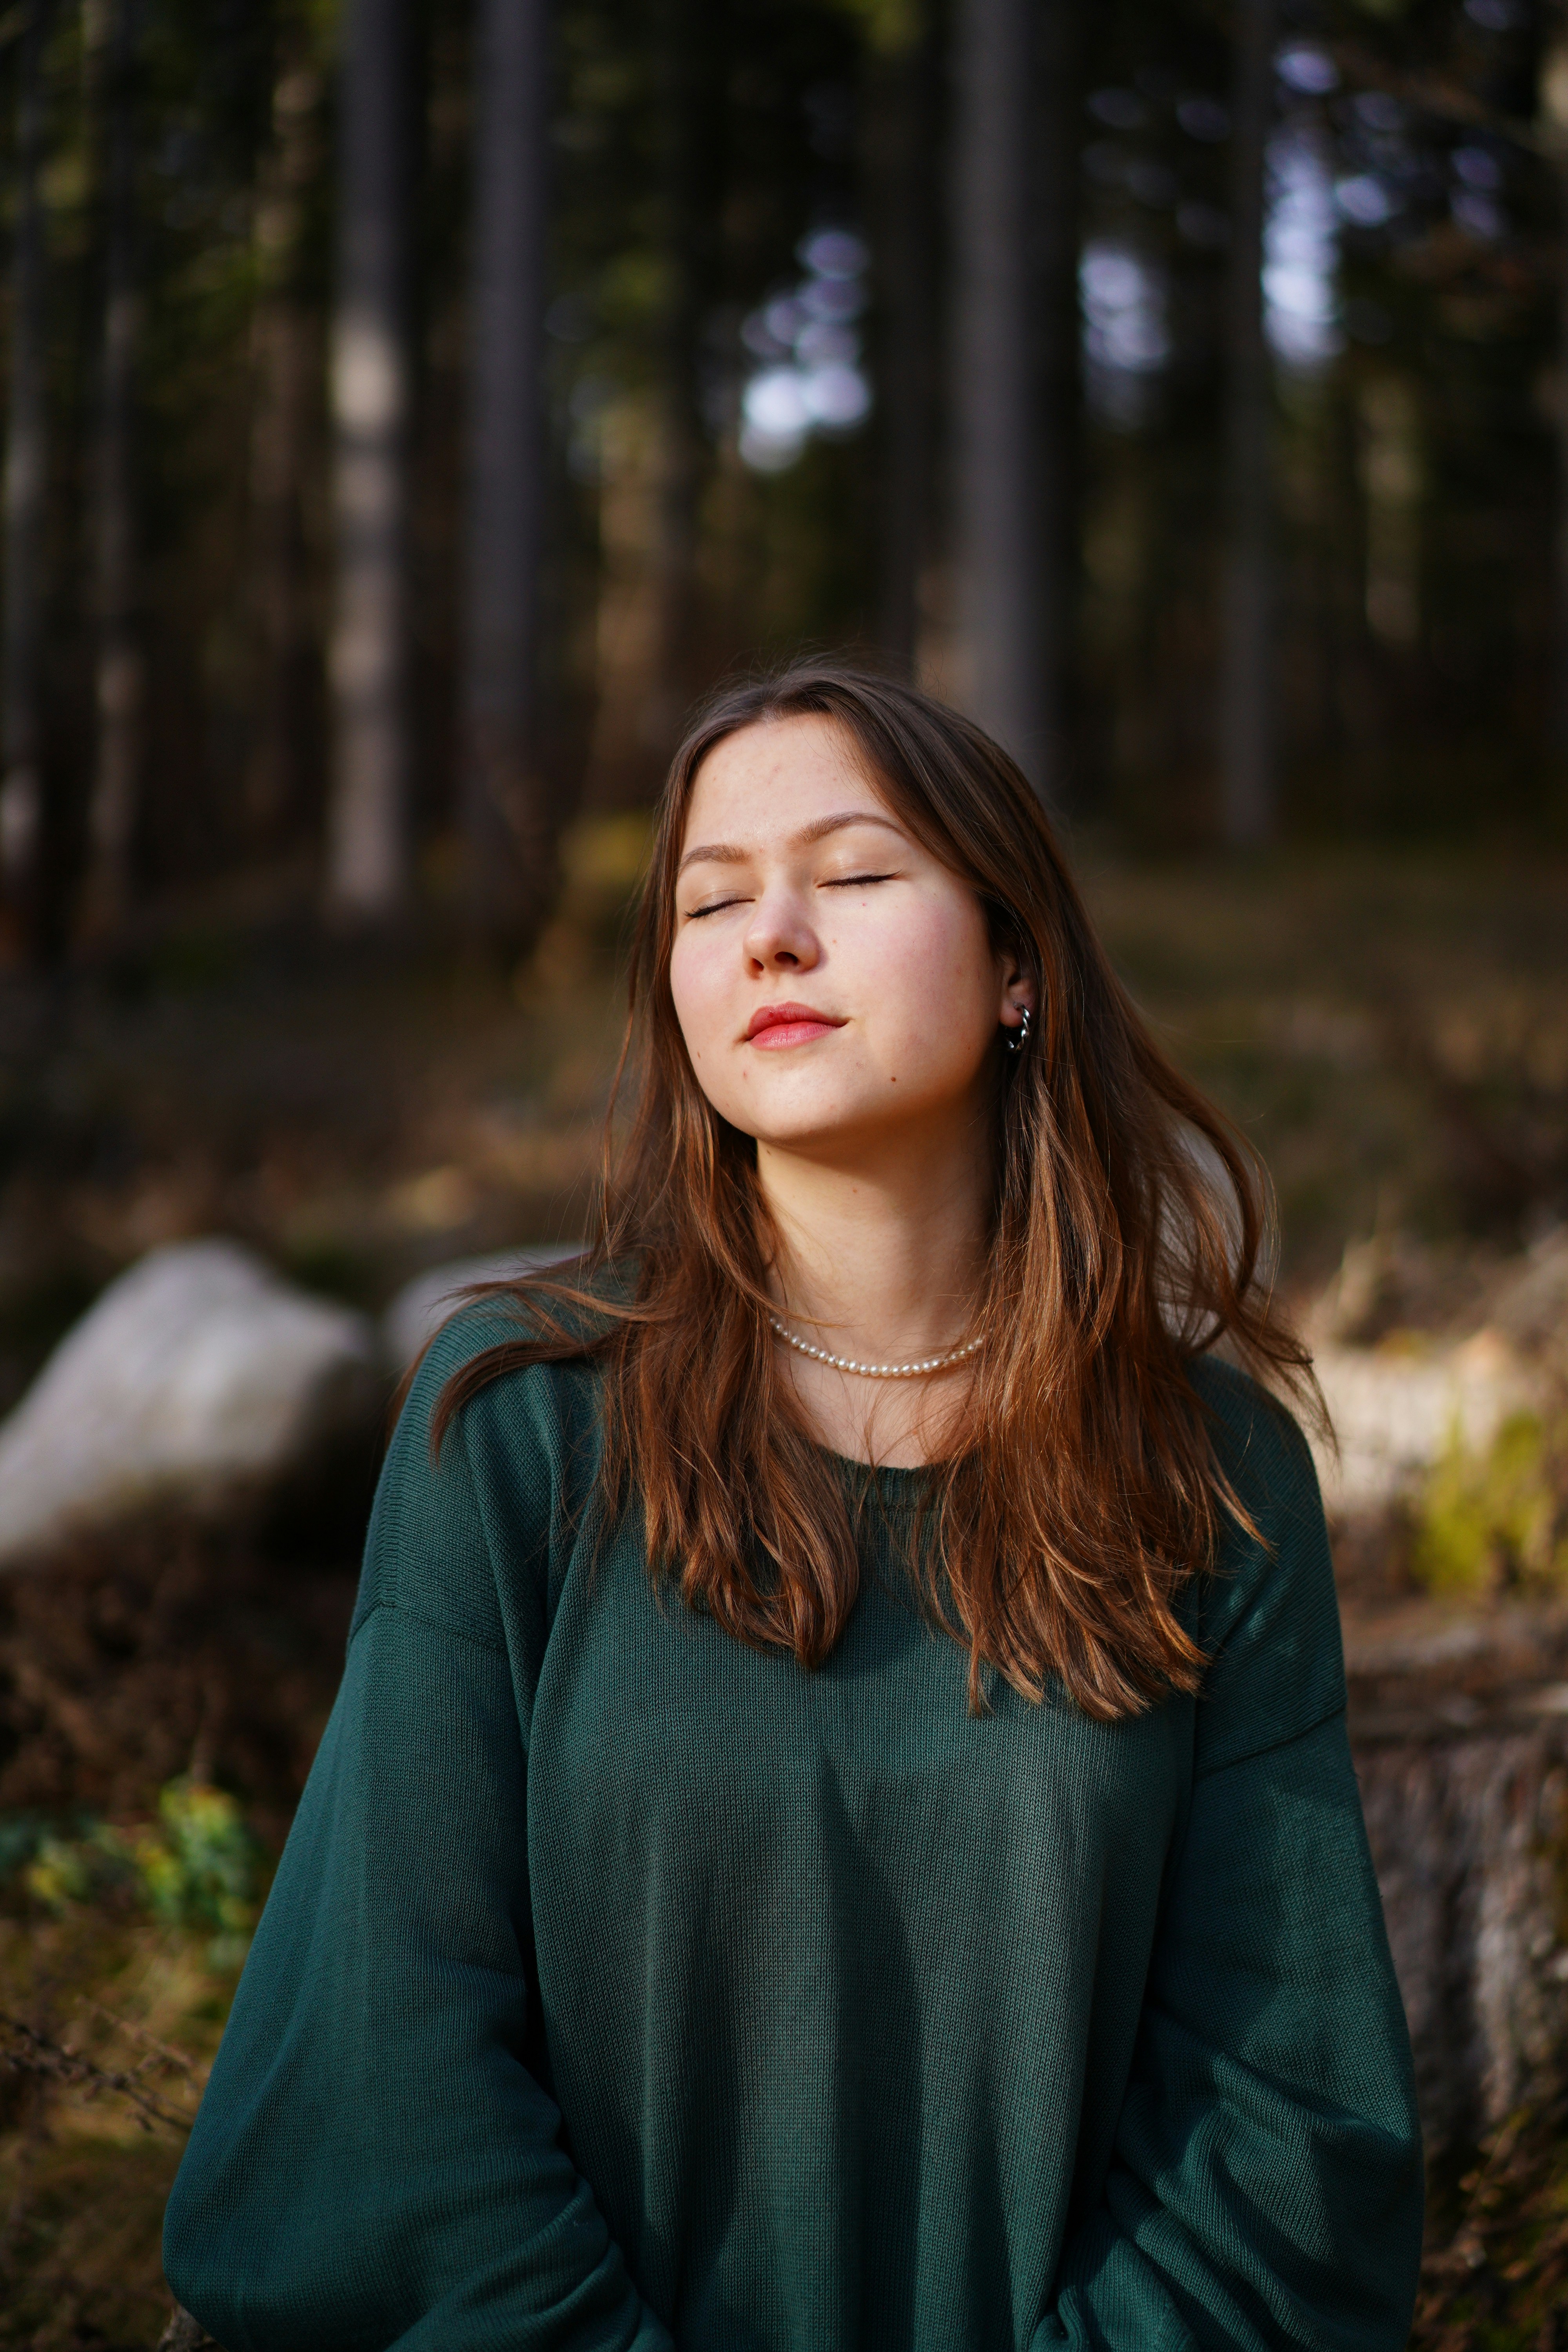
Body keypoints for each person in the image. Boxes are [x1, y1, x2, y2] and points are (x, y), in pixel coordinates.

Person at [164, 662, 1424, 2350]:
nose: (770, 937)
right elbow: (380, 2068)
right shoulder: (522, 1423)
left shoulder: (1205, 1469)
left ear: (1018, 968)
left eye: (853, 874)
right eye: (711, 900)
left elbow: (1284, 2123)